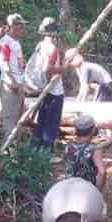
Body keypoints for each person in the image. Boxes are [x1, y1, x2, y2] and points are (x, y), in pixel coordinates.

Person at [28, 17, 68, 150]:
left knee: (42, 121)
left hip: (44, 89)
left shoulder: (40, 46)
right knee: (51, 123)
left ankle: (34, 148)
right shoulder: (52, 49)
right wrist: (62, 69)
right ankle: (46, 153)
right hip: (54, 91)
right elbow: (47, 68)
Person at [0, 13, 27, 140]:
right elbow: (4, 64)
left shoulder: (15, 42)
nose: (22, 30)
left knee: (19, 117)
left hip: (18, 82)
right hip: (10, 84)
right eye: (20, 27)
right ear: (12, 27)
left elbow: (17, 64)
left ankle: (17, 148)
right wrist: (12, 82)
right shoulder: (5, 42)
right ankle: (8, 150)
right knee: (9, 117)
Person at [63, 113, 107, 191]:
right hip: (86, 190)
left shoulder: (68, 146)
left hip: (69, 188)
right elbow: (102, 172)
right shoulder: (94, 149)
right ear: (93, 130)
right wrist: (97, 192)